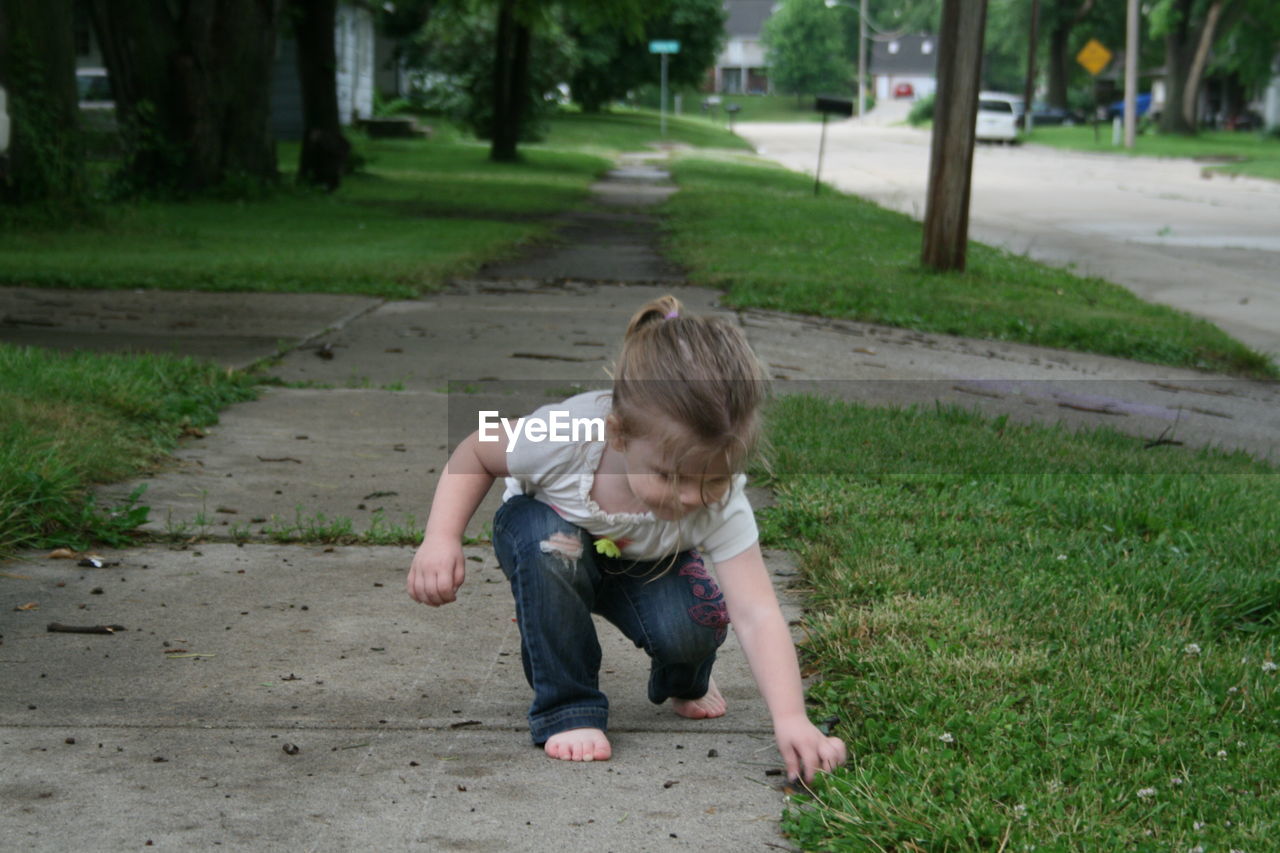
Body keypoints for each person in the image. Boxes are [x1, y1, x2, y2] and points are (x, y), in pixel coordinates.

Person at [405, 294, 847, 783]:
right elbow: (477, 448)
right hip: (553, 539)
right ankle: (568, 707)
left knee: (695, 624)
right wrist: (441, 537)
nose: (690, 497)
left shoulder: (719, 499)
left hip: (650, 563)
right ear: (617, 434)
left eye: (713, 480)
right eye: (668, 476)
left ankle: (687, 680)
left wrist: (791, 719)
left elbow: (758, 611)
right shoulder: (565, 432)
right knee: (552, 548)